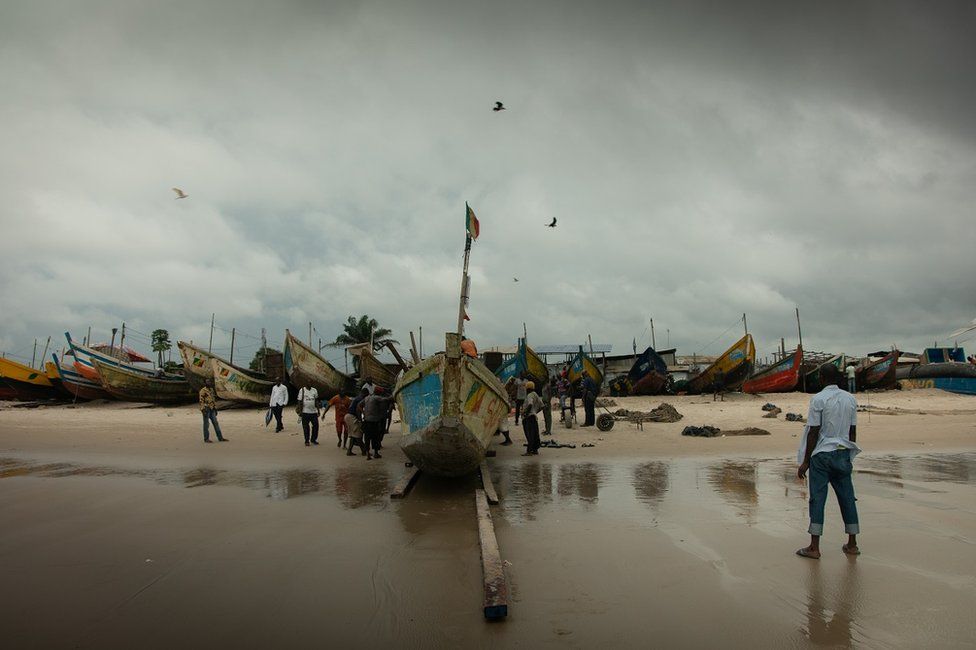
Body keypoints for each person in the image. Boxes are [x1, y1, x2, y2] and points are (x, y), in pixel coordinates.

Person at [796, 364, 861, 559]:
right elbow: (852, 431)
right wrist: (849, 457)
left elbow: (813, 431)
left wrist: (805, 461)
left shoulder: (818, 399)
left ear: (822, 378)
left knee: (817, 499)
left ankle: (814, 547)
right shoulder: (850, 399)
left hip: (822, 455)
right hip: (842, 452)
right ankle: (852, 543)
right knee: (847, 498)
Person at [360, 391, 392, 459]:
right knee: (375, 437)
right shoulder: (376, 398)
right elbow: (385, 399)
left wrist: (363, 413)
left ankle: (368, 454)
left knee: (367, 438)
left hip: (366, 420)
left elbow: (359, 405)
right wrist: (391, 397)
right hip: (374, 421)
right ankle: (376, 453)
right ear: (379, 393)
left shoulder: (366, 398)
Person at [521, 381, 543, 455]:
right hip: (533, 416)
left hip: (529, 417)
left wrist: (526, 413)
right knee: (535, 434)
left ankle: (529, 451)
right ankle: (535, 450)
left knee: (529, 434)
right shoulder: (535, 394)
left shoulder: (529, 395)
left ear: (528, 388)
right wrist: (535, 412)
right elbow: (542, 406)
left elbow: (530, 404)